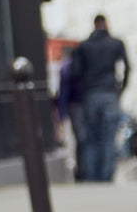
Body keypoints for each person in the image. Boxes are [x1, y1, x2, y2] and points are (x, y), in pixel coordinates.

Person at [72, 15, 130, 182]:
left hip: (91, 94)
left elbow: (76, 73)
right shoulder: (116, 44)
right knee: (108, 138)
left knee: (91, 139)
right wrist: (120, 90)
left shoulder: (84, 47)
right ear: (105, 24)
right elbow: (127, 68)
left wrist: (86, 88)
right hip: (109, 93)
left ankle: (91, 177)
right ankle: (106, 177)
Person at [56, 42, 85, 179]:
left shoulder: (67, 66)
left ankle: (83, 170)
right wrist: (62, 115)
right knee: (82, 139)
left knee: (81, 139)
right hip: (77, 105)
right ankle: (82, 171)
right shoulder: (68, 67)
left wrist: (62, 115)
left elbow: (63, 93)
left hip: (77, 106)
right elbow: (64, 92)